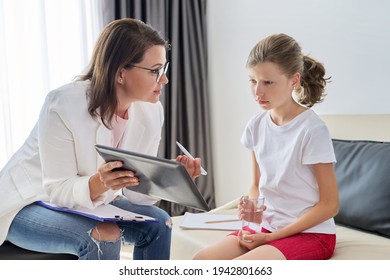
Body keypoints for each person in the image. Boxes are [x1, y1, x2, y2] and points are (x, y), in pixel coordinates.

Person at [0, 18, 202, 260]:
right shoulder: (63, 104)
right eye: (155, 71)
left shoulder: (150, 111)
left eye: (164, 69)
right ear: (120, 73)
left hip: (87, 201)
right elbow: (57, 189)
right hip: (28, 201)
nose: (164, 80)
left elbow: (138, 196)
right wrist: (100, 183)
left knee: (160, 222)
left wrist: (171, 180)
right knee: (104, 234)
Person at [193, 33, 339, 260]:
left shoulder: (312, 130)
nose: (258, 91)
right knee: (201, 261)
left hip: (311, 234)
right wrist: (251, 209)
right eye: (253, 81)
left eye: (268, 82)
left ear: (294, 80)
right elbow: (256, 185)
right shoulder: (256, 125)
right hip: (267, 228)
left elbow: (330, 205)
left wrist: (272, 237)